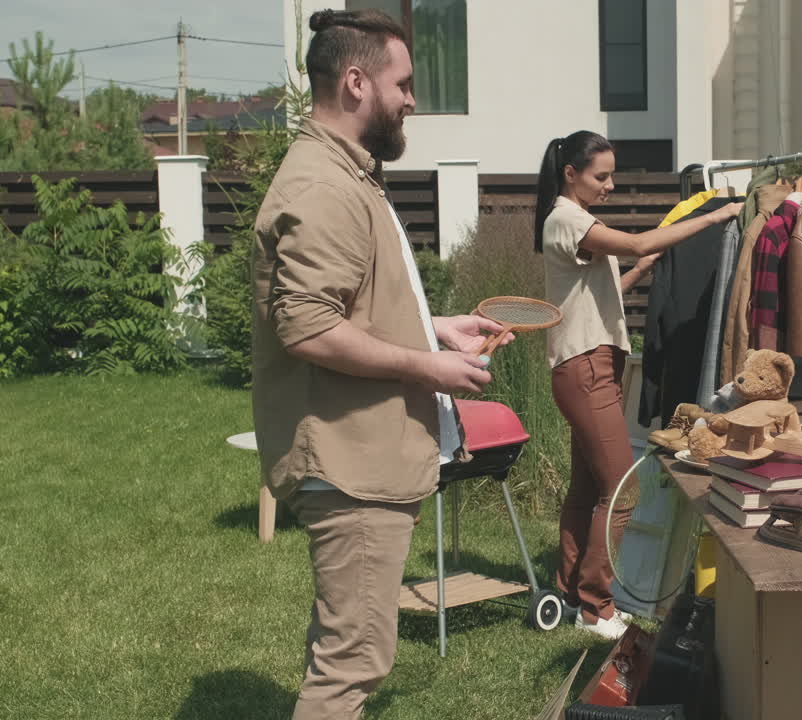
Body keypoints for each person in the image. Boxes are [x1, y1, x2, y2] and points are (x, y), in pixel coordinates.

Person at [251, 9, 508, 718]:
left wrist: (434, 328)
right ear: (358, 82)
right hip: (351, 460)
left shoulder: (343, 172)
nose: (413, 100)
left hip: (358, 452)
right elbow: (305, 327)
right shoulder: (327, 186)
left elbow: (348, 302)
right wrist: (426, 368)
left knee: (346, 647)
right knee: (351, 666)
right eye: (405, 83)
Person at [534, 130, 741, 639]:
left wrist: (640, 271)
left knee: (588, 488)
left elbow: (591, 295)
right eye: (601, 176)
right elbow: (637, 241)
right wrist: (714, 217)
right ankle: (596, 607)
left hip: (587, 365)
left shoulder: (571, 222)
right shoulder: (568, 219)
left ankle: (568, 592)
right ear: (571, 174)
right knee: (623, 489)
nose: (609, 185)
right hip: (586, 370)